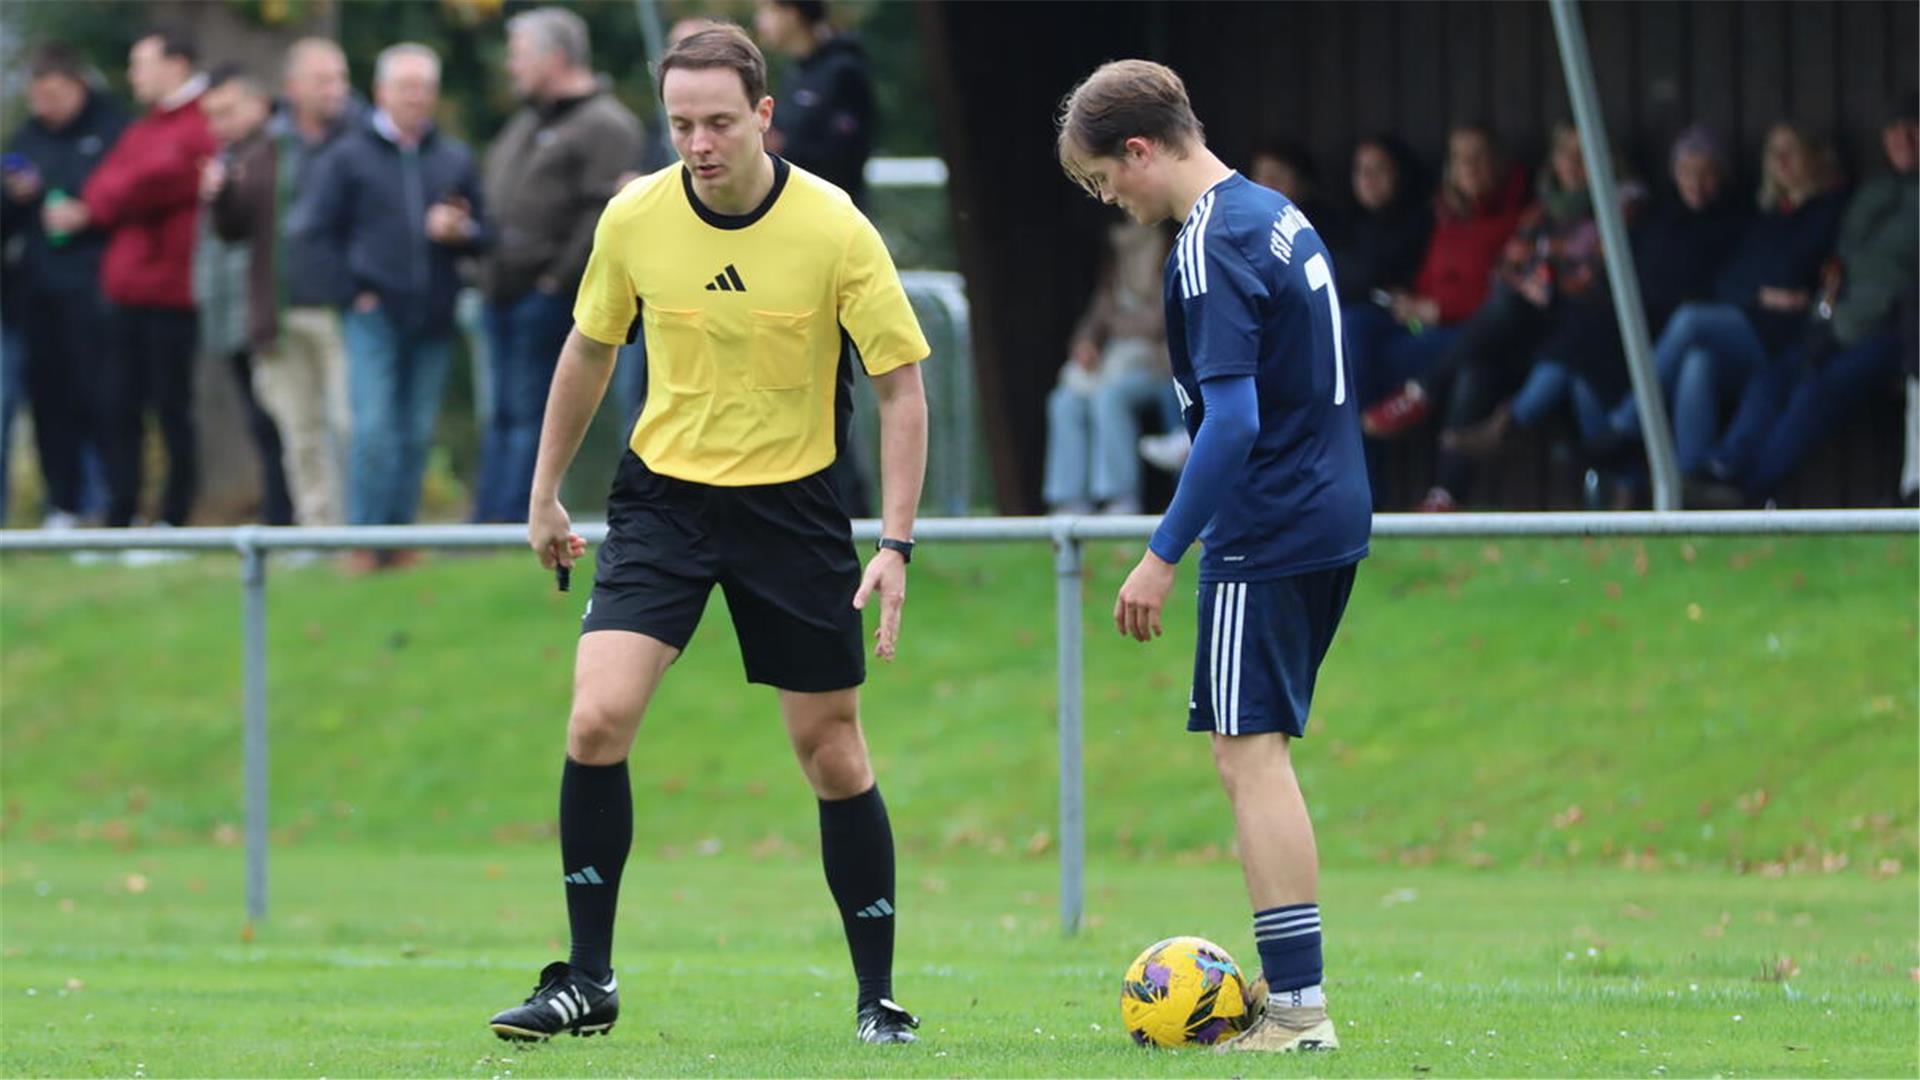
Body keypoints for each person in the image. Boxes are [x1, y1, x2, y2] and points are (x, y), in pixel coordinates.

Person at [486, 25, 931, 1046]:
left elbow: (902, 391)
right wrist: (544, 493)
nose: (700, 142)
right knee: (597, 718)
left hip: (796, 508)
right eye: (682, 123)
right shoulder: (635, 216)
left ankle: (879, 1000)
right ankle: (586, 981)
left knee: (830, 752)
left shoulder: (833, 226)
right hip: (664, 505)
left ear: (765, 116)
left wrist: (896, 545)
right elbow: (589, 351)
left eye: (720, 121)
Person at [1058, 59, 1371, 1053]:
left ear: (1140, 149)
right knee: (1257, 749)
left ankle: (1298, 1010)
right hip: (1329, 509)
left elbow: (1232, 423)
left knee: (1251, 754)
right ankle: (1295, 998)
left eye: (1108, 182)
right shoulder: (1275, 213)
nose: (1115, 201)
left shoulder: (1210, 242)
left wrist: (1161, 552)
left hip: (1268, 521)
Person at [289, 43, 487, 569]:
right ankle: (363, 541)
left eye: (424, 87)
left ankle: (398, 539)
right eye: (405, 87)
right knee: (374, 429)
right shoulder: (347, 156)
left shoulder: (454, 158)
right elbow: (311, 232)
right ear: (381, 92)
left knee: (416, 432)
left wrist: (461, 231)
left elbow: (486, 233)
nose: (415, 98)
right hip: (372, 315)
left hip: (434, 316)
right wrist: (352, 293)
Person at [1696, 91, 1917, 505]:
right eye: (1895, 131)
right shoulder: (1874, 191)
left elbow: (1892, 275)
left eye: (1913, 130)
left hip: (1894, 333)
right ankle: (1722, 468)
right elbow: (1840, 261)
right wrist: (1827, 308)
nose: (1905, 140)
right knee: (1771, 380)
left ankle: (1747, 492)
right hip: (1838, 321)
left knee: (1817, 392)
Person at [474, 7, 641, 524]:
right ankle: (487, 523)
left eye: (519, 54)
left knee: (532, 416)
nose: (510, 66)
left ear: (556, 57)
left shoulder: (606, 125)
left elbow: (603, 214)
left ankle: (513, 523)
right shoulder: (527, 121)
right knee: (501, 414)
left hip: (550, 298)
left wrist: (554, 280)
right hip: (502, 293)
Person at [204, 38, 358, 527]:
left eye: (340, 78)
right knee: (300, 431)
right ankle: (319, 534)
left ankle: (366, 529)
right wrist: (220, 196)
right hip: (280, 311)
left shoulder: (361, 140)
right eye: (323, 80)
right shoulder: (265, 147)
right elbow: (234, 231)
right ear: (293, 88)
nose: (336, 89)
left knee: (350, 425)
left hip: (345, 309)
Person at [64, 26, 214, 527]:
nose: (133, 75)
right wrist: (110, 196)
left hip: (171, 294)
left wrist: (111, 197)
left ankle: (175, 519)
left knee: (172, 409)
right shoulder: (144, 128)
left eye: (140, 63)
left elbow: (151, 181)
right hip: (125, 293)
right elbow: (102, 185)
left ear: (176, 64)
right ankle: (121, 516)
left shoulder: (198, 123)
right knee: (117, 408)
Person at [2, 43, 126, 528]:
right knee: (49, 404)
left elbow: (126, 197)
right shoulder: (26, 137)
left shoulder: (112, 130)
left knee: (102, 400)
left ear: (77, 86)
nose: (43, 105)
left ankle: (110, 503)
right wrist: (13, 198)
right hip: (36, 296)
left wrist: (87, 213)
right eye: (36, 95)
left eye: (52, 94)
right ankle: (64, 504)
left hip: (97, 291)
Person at [1352, 126, 1529, 438]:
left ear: (1499, 163)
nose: (1469, 166)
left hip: (1476, 332)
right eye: (1460, 159)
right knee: (1354, 328)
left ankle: (1370, 442)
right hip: (1428, 326)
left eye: (1478, 157)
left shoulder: (1521, 219)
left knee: (1366, 368)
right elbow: (1431, 280)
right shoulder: (1449, 217)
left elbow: (1510, 297)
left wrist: (1438, 309)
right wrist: (1411, 304)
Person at [199, 68, 293, 525]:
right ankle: (278, 518)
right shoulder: (234, 157)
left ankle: (287, 520)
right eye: (212, 116)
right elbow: (229, 233)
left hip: (273, 314)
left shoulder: (280, 152)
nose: (220, 124)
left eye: (228, 111)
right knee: (262, 424)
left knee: (282, 423)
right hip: (238, 318)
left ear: (259, 103)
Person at [1044, 221, 1172, 513]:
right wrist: (1085, 344)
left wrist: (1115, 324)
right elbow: (1097, 314)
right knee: (1064, 401)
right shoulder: (1115, 258)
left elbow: (1158, 322)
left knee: (1110, 397)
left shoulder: (1169, 252)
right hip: (1113, 358)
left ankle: (1119, 497)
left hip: (1156, 364)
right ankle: (1069, 500)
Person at [754, 0, 874, 205]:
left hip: (837, 213)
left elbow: (847, 155)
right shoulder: (795, 73)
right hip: (794, 207)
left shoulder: (844, 70)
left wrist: (781, 147)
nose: (759, 21)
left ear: (792, 14)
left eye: (767, 11)